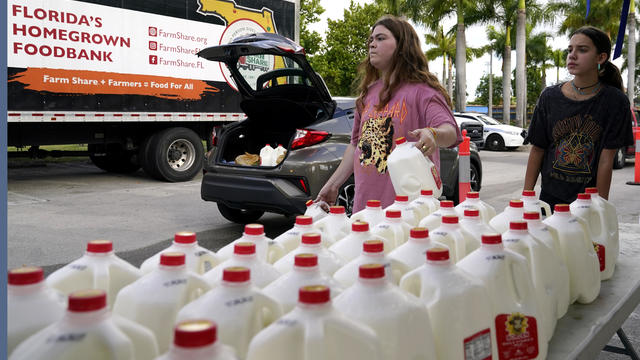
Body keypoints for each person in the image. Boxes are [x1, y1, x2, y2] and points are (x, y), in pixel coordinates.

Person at [315, 15, 462, 213]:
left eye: (381, 38)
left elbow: (450, 131)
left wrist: (434, 134)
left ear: (402, 46)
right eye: (371, 40)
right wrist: (333, 184)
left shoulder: (423, 91)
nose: (372, 44)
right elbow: (356, 145)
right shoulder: (367, 94)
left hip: (409, 214)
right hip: (365, 210)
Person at [523, 26, 633, 209]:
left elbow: (607, 160)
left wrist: (601, 210)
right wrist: (526, 199)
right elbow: (538, 150)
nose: (572, 55)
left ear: (601, 57)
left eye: (582, 50)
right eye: (570, 49)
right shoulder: (549, 97)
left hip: (587, 204)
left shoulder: (615, 101)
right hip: (549, 200)